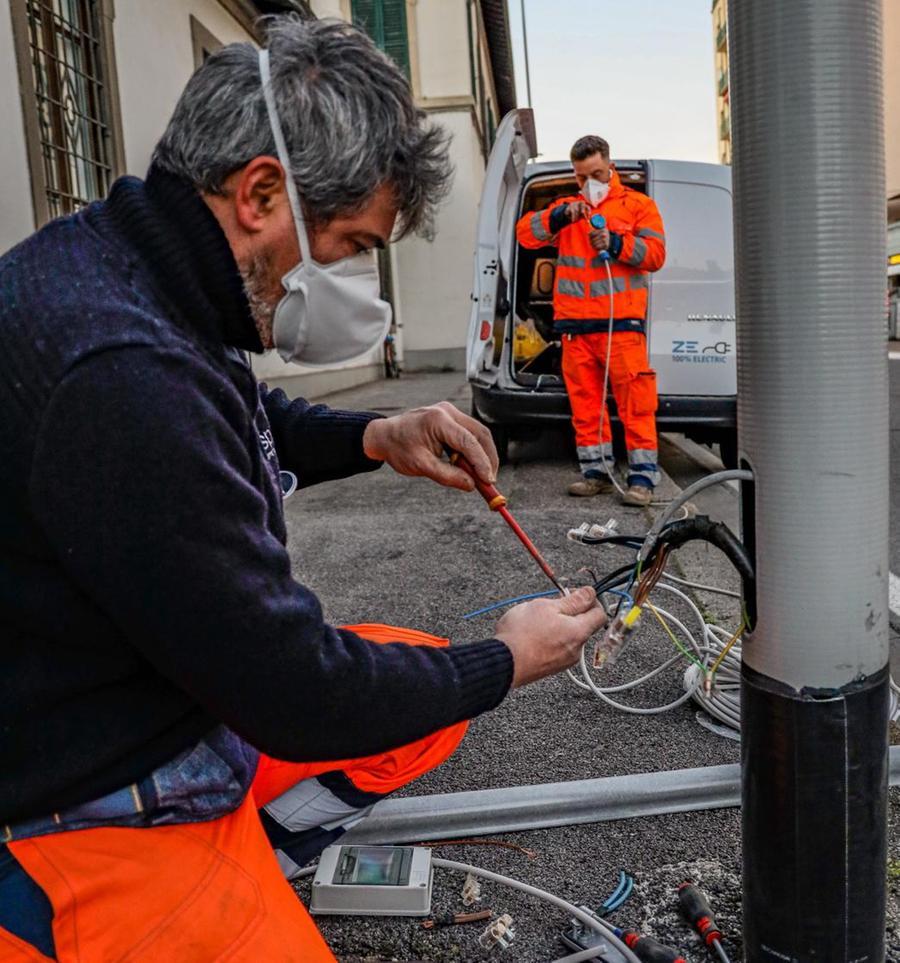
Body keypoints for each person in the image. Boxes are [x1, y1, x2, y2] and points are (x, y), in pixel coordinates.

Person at [0, 18, 607, 963]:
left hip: (161, 705)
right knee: (430, 684)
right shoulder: (121, 374)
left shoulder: (138, 271)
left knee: (410, 691)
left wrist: (379, 432)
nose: (356, 282)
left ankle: (259, 862)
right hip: (87, 804)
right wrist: (504, 660)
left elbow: (240, 414)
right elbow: (295, 690)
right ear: (261, 192)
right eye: (350, 244)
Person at [516, 135, 667, 506]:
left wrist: (616, 244)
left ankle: (642, 479)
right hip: (575, 328)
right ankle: (595, 473)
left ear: (610, 166)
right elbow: (525, 235)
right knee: (585, 404)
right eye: (582, 177)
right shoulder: (568, 208)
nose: (590, 183)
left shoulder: (638, 206)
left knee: (636, 403)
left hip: (622, 326)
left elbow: (656, 254)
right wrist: (555, 215)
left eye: (596, 173)